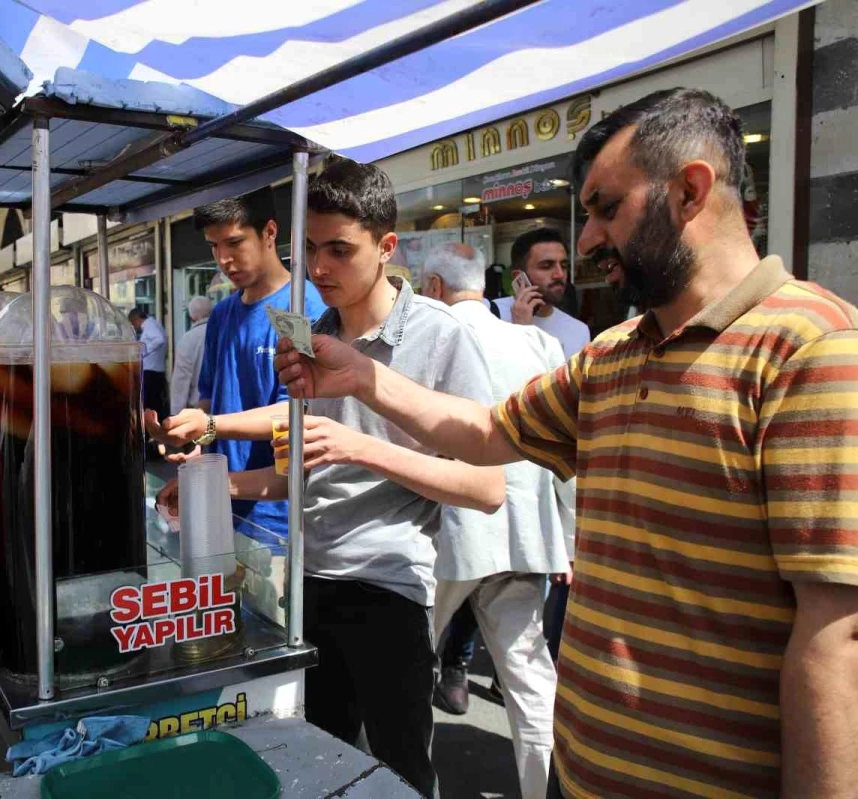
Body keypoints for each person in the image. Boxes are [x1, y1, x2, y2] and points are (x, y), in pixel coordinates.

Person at [275, 88, 858, 799]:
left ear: (691, 190)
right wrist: (363, 376)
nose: (584, 242)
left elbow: (836, 645)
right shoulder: (610, 356)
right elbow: (488, 433)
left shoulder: (813, 349)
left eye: (607, 208)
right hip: (581, 773)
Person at [159, 159, 505, 797]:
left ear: (386, 246)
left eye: (339, 250)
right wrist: (213, 457)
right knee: (313, 767)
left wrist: (360, 449)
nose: (319, 268)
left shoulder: (440, 335)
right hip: (301, 577)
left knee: (399, 775)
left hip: (387, 586)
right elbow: (295, 461)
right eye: (310, 250)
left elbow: (486, 488)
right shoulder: (307, 326)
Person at [421, 242, 573, 799]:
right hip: (524, 532)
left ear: (434, 287)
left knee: (407, 667)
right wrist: (571, 538)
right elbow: (569, 449)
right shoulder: (537, 340)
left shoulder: (431, 338)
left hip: (447, 536)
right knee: (531, 677)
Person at [148, 188, 327, 540]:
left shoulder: (300, 308)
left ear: (270, 233)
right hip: (220, 507)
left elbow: (294, 412)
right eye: (214, 246)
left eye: (234, 243)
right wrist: (194, 441)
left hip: (279, 518)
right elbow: (210, 396)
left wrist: (209, 424)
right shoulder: (223, 314)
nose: (223, 259)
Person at [494, 228, 590, 359]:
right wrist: (521, 330)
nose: (559, 274)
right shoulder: (490, 316)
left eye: (563, 265)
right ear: (519, 277)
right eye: (546, 266)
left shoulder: (579, 331)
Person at [170, 296, 213, 415]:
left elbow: (181, 378)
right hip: (227, 412)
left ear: (191, 317)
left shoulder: (188, 339)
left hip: (197, 412)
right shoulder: (225, 332)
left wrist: (176, 413)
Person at [128, 306, 169, 430]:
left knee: (150, 404)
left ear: (136, 319)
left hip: (151, 371)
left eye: (133, 324)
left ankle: (152, 430)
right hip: (155, 370)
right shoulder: (153, 324)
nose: (134, 327)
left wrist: (143, 351)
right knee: (154, 402)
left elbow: (159, 339)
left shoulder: (149, 325)